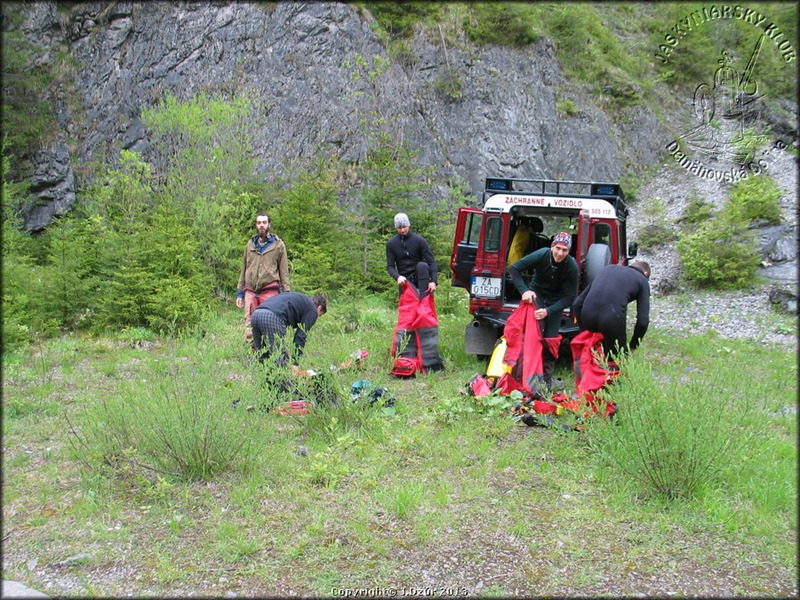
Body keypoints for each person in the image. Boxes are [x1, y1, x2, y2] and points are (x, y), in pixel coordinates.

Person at [507, 231, 579, 390]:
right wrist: (524, 291)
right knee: (529, 336)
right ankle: (521, 376)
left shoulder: (571, 266)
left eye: (564, 250)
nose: (560, 253)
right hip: (536, 294)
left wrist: (548, 311)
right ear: (552, 246)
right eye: (558, 248)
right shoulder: (542, 254)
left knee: (550, 340)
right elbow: (514, 269)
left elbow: (569, 298)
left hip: (556, 301)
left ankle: (545, 381)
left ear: (568, 251)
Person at [571, 261, 651, 359]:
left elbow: (577, 304)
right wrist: (633, 346)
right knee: (617, 359)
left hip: (588, 315)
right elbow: (643, 321)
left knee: (593, 356)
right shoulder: (642, 280)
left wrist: (585, 331)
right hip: (611, 318)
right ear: (646, 273)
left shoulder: (607, 269)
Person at [236, 213, 290, 342]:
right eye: (259, 223)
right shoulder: (250, 245)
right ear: (256, 225)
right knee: (249, 324)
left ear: (269, 225)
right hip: (250, 291)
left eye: (264, 222)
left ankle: (271, 355)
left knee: (269, 322)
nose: (261, 225)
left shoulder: (278, 245)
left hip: (269, 290)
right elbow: (244, 268)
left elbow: (284, 272)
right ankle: (253, 355)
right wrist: (239, 293)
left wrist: (287, 294)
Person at [251, 292, 327, 367]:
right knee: (280, 360)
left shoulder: (299, 299)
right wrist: (295, 363)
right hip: (272, 316)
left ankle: (256, 377)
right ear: (319, 308)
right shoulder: (313, 309)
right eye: (319, 315)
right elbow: (301, 335)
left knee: (260, 355)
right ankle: (282, 379)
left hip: (256, 314)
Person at [386, 213, 438, 294]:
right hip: (404, 279)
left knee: (422, 265)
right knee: (407, 305)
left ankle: (423, 297)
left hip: (420, 276)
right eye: (399, 228)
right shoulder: (391, 244)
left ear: (409, 225)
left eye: (404, 227)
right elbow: (390, 266)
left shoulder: (419, 240)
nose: (402, 230)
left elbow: (431, 262)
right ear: (396, 228)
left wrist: (434, 281)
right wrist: (397, 277)